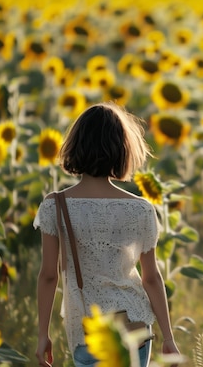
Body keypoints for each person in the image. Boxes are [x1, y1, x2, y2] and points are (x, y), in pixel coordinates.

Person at [34, 102, 180, 367]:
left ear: (75, 145)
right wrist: (168, 337)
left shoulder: (55, 206)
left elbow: (48, 276)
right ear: (122, 150)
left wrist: (43, 334)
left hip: (90, 331)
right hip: (135, 324)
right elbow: (151, 278)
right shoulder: (140, 209)